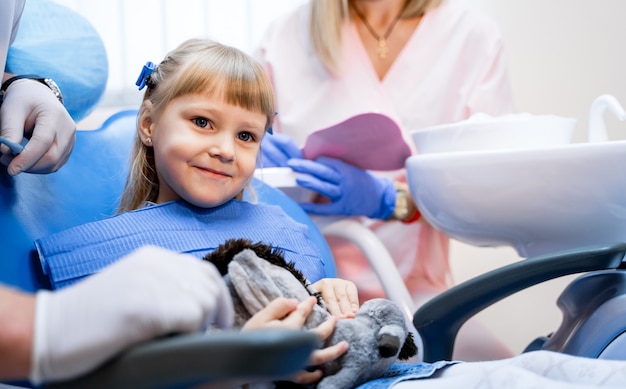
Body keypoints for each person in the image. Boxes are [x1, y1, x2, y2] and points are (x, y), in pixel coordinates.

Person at [33, 38, 360, 386]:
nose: (225, 150)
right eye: (202, 122)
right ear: (149, 125)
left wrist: (324, 301)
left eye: (246, 135)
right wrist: (234, 365)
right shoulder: (108, 256)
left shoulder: (287, 233)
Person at [255, 0, 514, 360]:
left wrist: (394, 199)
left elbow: (492, 193)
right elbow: (243, 185)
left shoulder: (469, 36)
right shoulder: (284, 38)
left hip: (416, 292)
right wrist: (256, 156)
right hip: (305, 285)